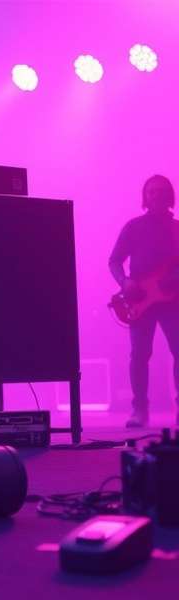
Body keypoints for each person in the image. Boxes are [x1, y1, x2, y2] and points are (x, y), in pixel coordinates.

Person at [109, 174, 179, 428]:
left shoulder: (176, 229)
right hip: (140, 299)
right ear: (144, 197)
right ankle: (140, 409)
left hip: (173, 301)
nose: (156, 195)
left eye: (161, 191)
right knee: (139, 355)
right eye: (151, 191)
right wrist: (124, 282)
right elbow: (114, 260)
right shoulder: (134, 226)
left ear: (169, 196)